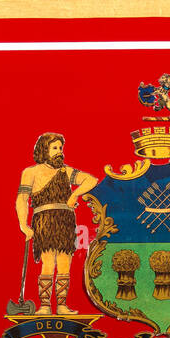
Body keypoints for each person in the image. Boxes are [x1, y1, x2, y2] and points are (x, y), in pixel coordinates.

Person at [15, 133, 98, 315]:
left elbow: (91, 180)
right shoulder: (31, 172)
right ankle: (45, 306)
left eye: (60, 148)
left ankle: (61, 306)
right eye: (55, 148)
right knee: (47, 262)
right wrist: (23, 224)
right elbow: (22, 199)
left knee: (64, 262)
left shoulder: (65, 171)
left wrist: (74, 195)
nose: (59, 152)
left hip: (65, 221)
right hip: (44, 221)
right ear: (44, 150)